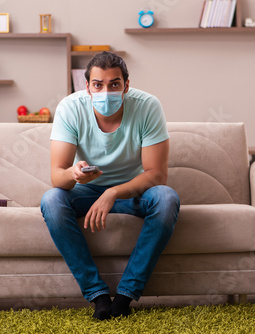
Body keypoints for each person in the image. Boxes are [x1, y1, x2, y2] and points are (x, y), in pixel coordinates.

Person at [40, 51, 180, 321]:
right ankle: (98, 295)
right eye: (98, 85)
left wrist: (112, 192)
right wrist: (74, 173)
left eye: (114, 84)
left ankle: (125, 296)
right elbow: (57, 177)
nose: (106, 91)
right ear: (87, 86)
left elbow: (156, 175)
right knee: (51, 200)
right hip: (86, 191)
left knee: (166, 198)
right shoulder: (70, 108)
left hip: (133, 192)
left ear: (126, 85)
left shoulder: (148, 106)